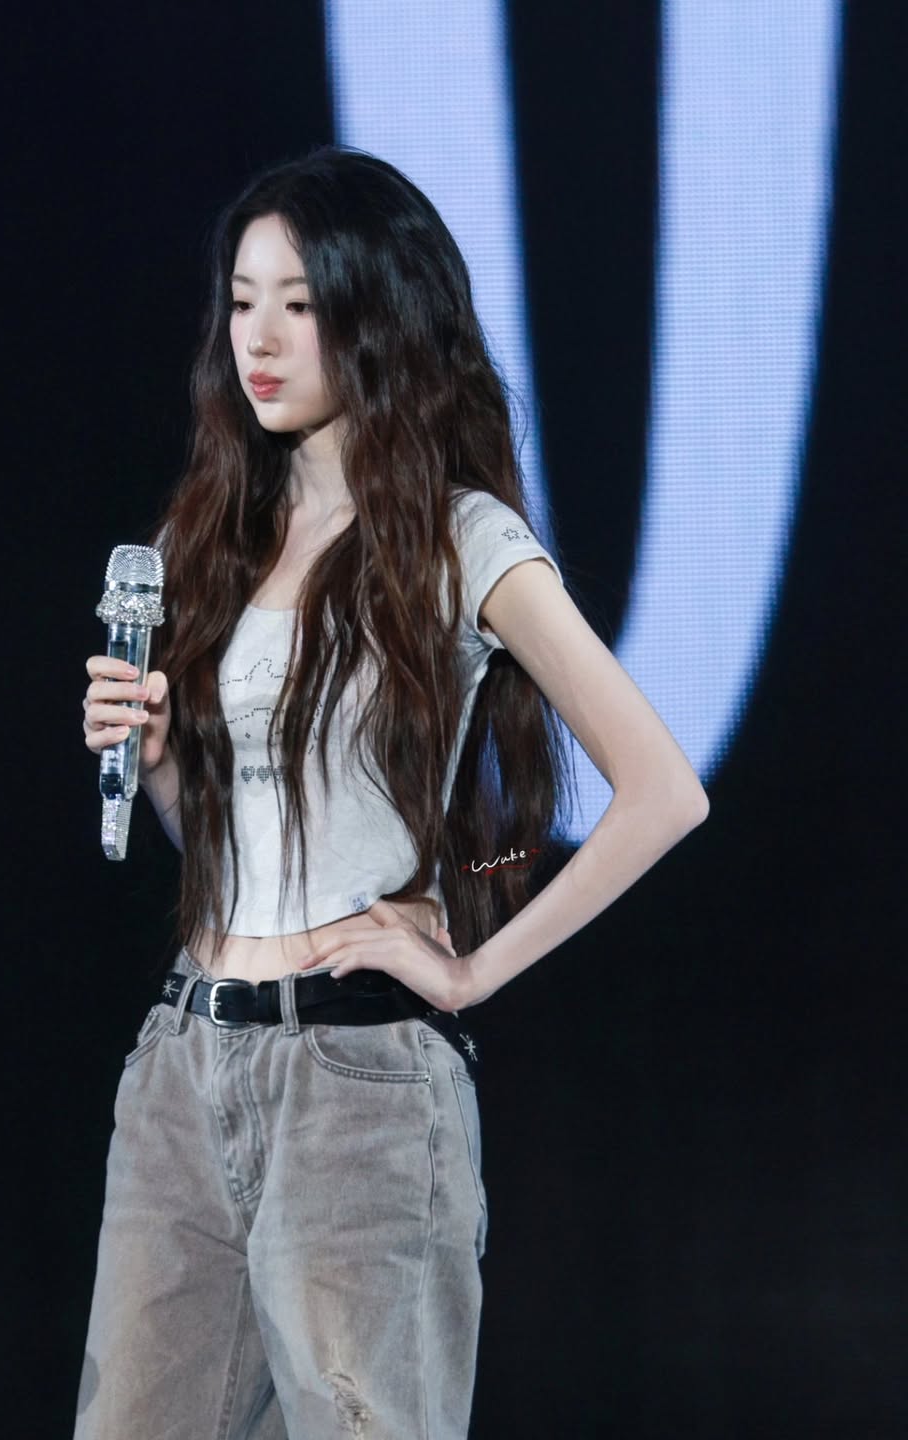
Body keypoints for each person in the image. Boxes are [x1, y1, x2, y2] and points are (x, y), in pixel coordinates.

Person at [75, 146, 709, 1440]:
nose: (259, 337)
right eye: (242, 300)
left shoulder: (461, 539)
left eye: (300, 303)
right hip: (185, 1068)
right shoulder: (215, 534)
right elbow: (227, 846)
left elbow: (662, 789)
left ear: (379, 311)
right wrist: (161, 762)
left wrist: (471, 972)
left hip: (354, 1086)